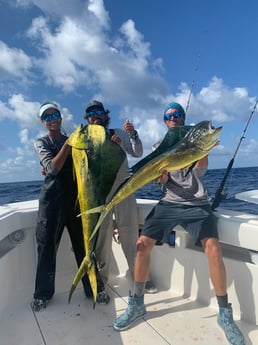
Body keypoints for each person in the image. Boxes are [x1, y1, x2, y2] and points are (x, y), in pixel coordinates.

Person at [113, 102, 245, 345]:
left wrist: (202, 149)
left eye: (178, 115)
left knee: (213, 249)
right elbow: (159, 181)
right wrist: (160, 178)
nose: (174, 118)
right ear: (165, 121)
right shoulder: (159, 147)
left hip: (197, 204)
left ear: (183, 119)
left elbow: (201, 170)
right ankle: (137, 303)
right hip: (168, 204)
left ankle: (225, 314)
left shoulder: (195, 142)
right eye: (169, 115)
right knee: (142, 245)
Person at [31, 102, 108, 311]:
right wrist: (70, 143)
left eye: (55, 114)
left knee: (84, 246)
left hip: (75, 200)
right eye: (47, 117)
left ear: (61, 116)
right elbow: (53, 168)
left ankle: (94, 287)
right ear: (43, 122)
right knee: (47, 246)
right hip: (52, 202)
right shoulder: (41, 142)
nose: (52, 119)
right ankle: (42, 294)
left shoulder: (73, 140)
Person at [84, 100, 157, 298]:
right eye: (91, 113)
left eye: (99, 111)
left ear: (105, 115)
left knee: (130, 235)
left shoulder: (119, 132)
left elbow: (138, 152)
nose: (95, 115)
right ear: (87, 118)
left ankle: (140, 277)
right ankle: (101, 280)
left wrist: (132, 135)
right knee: (102, 240)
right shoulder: (85, 139)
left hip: (124, 189)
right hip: (100, 194)